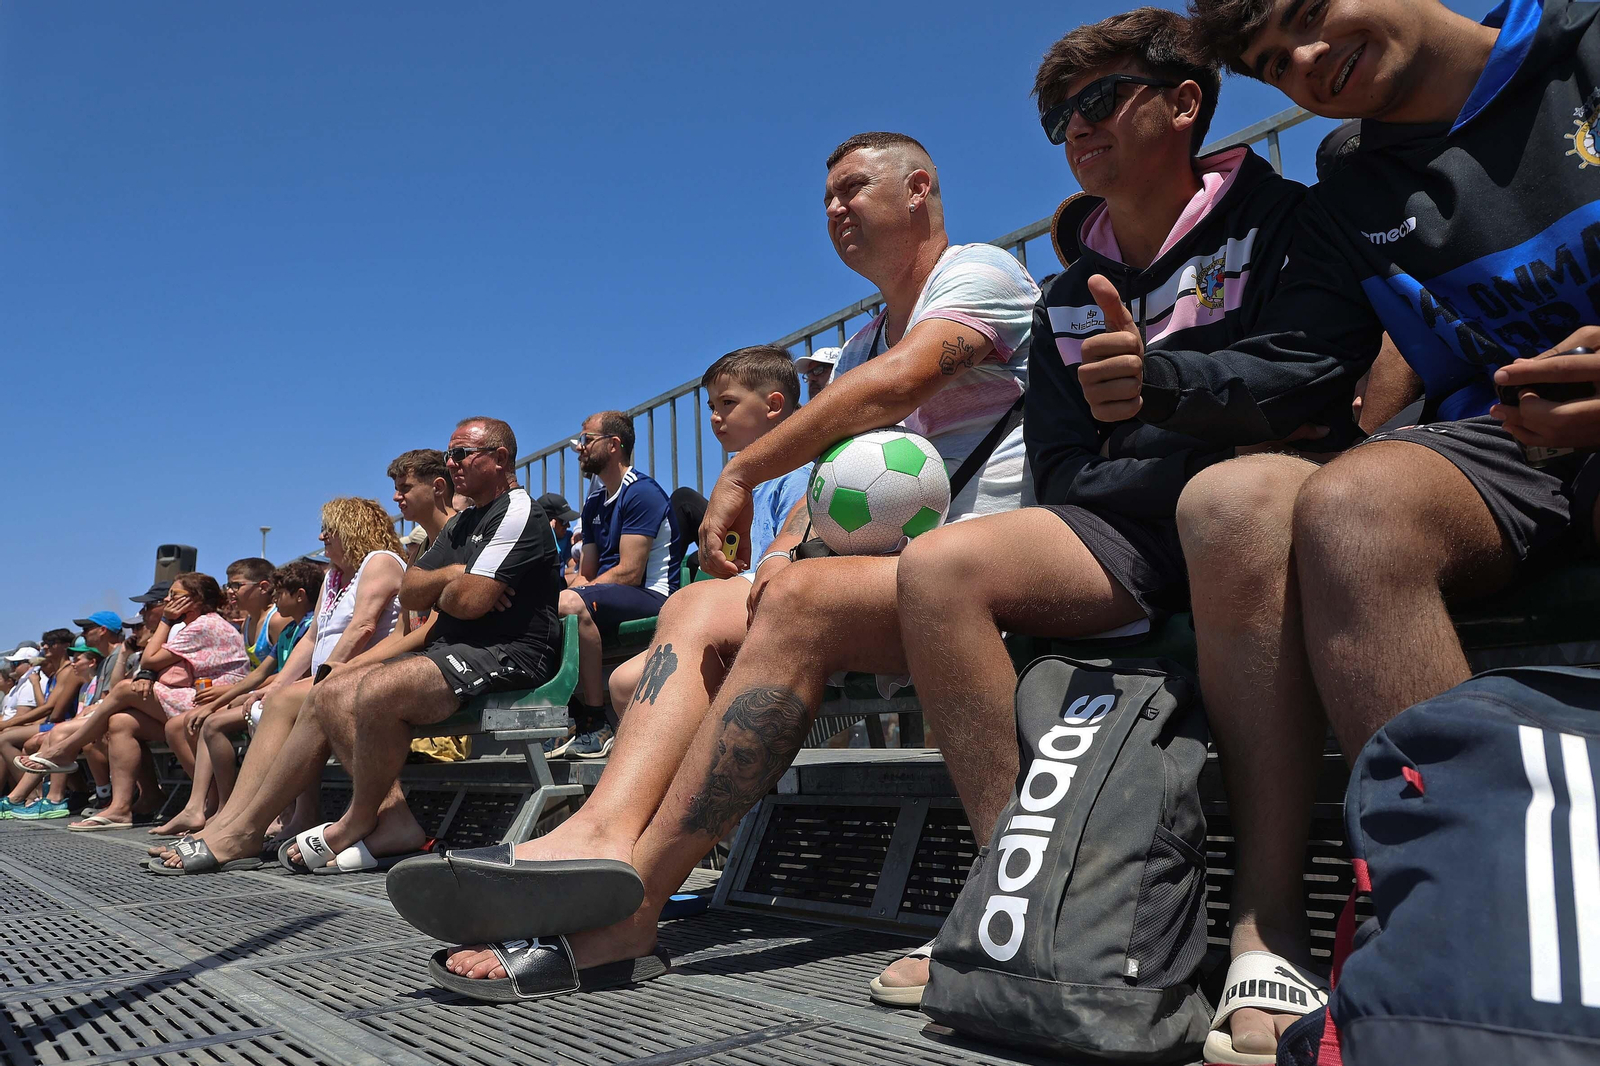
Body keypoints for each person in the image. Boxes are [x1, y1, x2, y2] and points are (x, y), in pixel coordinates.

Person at [1066, 0, 1600, 1057]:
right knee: (1351, 505)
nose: (1307, 63)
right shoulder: (1350, 177)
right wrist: (1161, 378)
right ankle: (1466, 932)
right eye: (1272, 63)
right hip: (1509, 445)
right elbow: (1311, 355)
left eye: (1310, 17)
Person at [429, 129, 1040, 995]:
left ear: (920, 189)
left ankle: (629, 913)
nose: (835, 209)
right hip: (888, 580)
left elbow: (906, 382)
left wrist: (747, 468)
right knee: (699, 607)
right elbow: (841, 485)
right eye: (826, 197)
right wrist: (782, 552)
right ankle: (602, 829)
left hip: (993, 571)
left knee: (798, 606)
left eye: (854, 188)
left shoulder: (981, 274)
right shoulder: (861, 341)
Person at [867, 8, 1377, 1009]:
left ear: (1184, 103)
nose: (1075, 129)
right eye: (1058, 114)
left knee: (1229, 502)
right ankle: (1017, 894)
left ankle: (1264, 928)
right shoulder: (1068, 287)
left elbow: (1319, 366)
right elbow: (1061, 465)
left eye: (1099, 100)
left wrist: (1160, 389)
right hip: (1133, 524)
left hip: (1259, 507)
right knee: (938, 567)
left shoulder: (1287, 218)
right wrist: (1177, 438)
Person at [154, 417, 564, 875]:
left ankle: (361, 819)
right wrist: (453, 574)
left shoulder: (517, 511)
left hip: (509, 652)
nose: (451, 465)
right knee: (326, 691)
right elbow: (411, 590)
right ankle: (243, 827)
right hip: (454, 650)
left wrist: (454, 587)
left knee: (377, 688)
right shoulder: (465, 522)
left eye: (461, 454)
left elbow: (470, 604)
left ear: (500, 458)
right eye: (449, 454)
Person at [147, 497, 405, 865]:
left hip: (367, 672)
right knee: (275, 699)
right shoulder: (334, 576)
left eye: (328, 530)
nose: (321, 536)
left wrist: (325, 673)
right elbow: (312, 638)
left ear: (351, 528)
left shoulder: (379, 561)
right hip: (334, 675)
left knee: (283, 704)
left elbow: (363, 626)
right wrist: (277, 683)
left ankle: (241, 829)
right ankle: (229, 823)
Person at [149, 561, 321, 836]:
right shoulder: (289, 630)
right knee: (210, 720)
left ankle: (237, 809)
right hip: (267, 696)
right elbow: (257, 676)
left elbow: (295, 674)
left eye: (280, 592)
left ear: (299, 596)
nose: (275, 597)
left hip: (290, 699)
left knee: (215, 725)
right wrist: (216, 704)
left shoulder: (300, 626)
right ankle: (217, 808)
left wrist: (248, 694)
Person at [561, 410, 682, 754]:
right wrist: (577, 588)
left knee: (569, 601)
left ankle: (597, 722)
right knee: (549, 604)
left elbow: (630, 572)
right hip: (608, 593)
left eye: (585, 440)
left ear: (613, 445)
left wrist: (577, 591)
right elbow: (587, 571)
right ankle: (574, 714)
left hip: (652, 595)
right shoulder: (594, 501)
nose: (579, 448)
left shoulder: (642, 492)